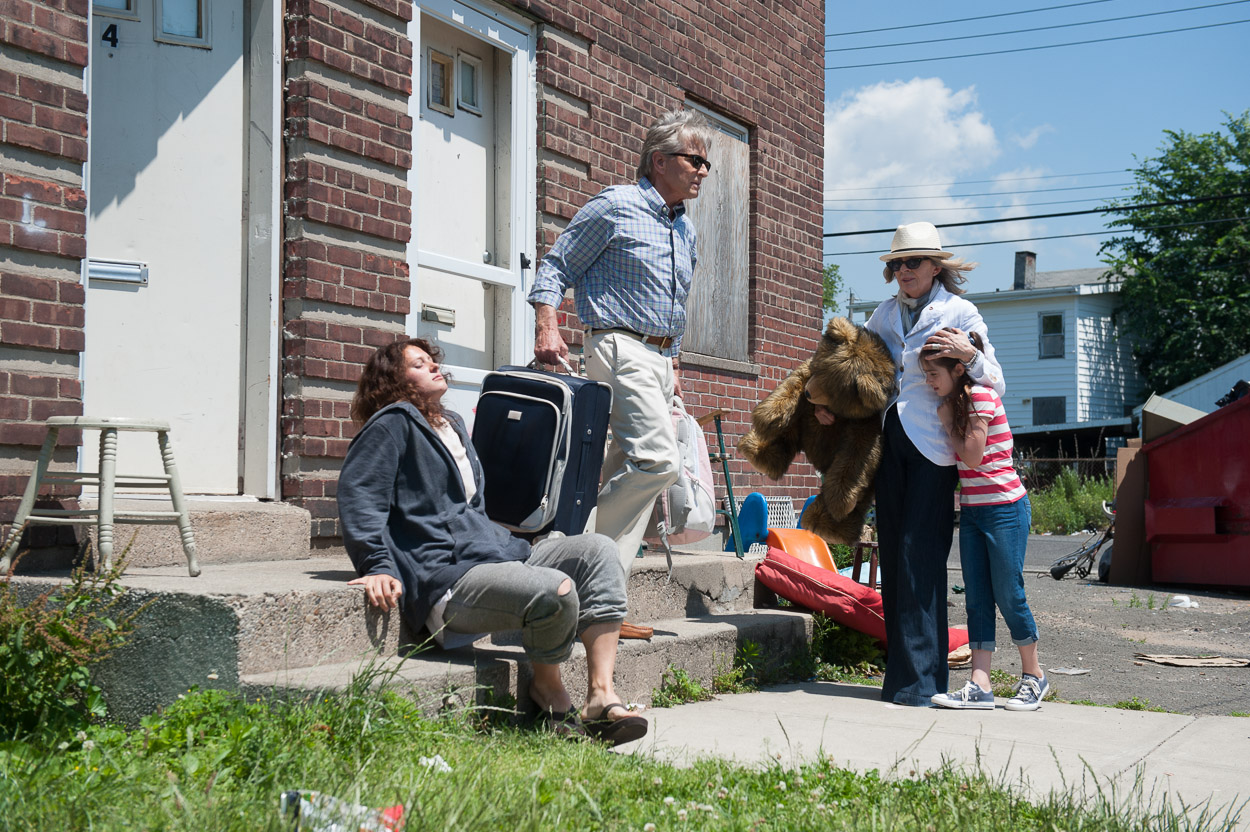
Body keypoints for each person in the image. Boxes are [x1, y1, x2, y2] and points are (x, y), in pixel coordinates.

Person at [337, 337, 648, 745]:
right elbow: (360, 495)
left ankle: (600, 695)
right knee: (557, 592)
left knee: (600, 551)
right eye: (417, 365)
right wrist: (377, 563)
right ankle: (548, 692)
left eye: (432, 361)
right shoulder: (392, 423)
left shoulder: (451, 424)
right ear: (391, 381)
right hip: (448, 577)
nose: (433, 367)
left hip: (499, 555)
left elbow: (474, 509)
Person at [527, 109, 717, 640]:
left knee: (609, 474)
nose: (703, 170)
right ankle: (564, 558)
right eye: (693, 159)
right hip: (616, 343)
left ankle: (598, 597)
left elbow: (676, 302)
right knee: (657, 462)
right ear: (659, 161)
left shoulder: (686, 227)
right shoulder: (615, 207)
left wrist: (674, 362)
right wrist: (548, 326)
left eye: (707, 163)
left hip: (657, 359)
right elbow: (555, 266)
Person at [863, 221, 1006, 707]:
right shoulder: (881, 315)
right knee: (893, 559)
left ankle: (920, 683)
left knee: (918, 556)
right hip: (890, 442)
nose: (904, 270)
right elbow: (863, 371)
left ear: (935, 267)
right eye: (897, 263)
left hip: (935, 445)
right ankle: (911, 678)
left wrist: (970, 355)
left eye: (914, 262)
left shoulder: (960, 311)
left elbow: (996, 381)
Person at [922, 334, 1047, 711]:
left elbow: (973, 456)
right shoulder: (958, 402)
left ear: (958, 370)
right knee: (976, 596)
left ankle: (1035, 676)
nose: (929, 380)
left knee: (1008, 592)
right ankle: (980, 683)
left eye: (933, 373)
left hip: (1005, 508)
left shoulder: (980, 397)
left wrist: (946, 423)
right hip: (974, 511)